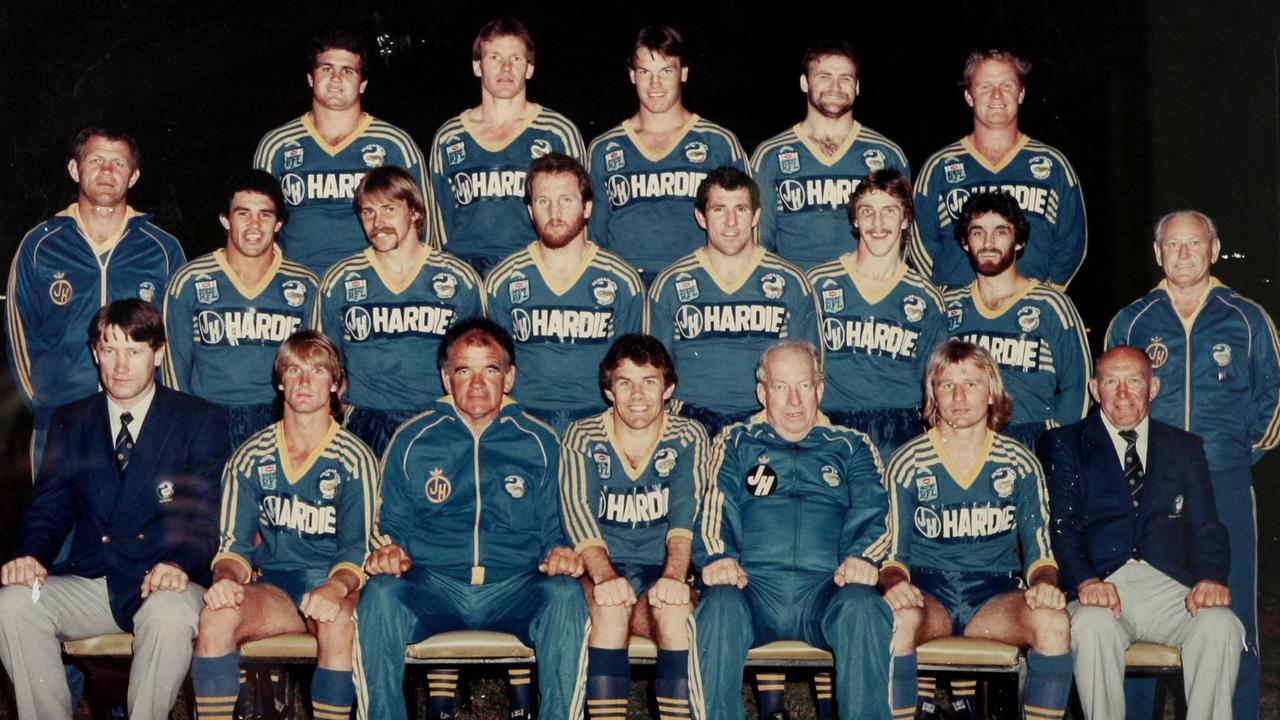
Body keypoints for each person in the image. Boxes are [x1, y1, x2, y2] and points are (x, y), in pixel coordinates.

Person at [0, 299, 229, 720]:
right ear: (94, 354)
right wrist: (29, 556)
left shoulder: (199, 419)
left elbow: (203, 520)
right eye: (110, 350)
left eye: (134, 351)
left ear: (158, 354)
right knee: (13, 603)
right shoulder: (71, 420)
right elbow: (49, 508)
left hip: (168, 581)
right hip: (97, 579)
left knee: (167, 614)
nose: (120, 366)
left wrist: (178, 564)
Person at [354, 317, 588, 720]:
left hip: (514, 585)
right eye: (464, 370)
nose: (477, 384)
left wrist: (562, 552)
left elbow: (557, 524)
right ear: (447, 379)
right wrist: (387, 549)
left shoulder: (541, 441)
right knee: (380, 596)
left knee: (567, 595)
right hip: (434, 584)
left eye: (490, 370)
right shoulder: (413, 438)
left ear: (509, 378)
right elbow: (387, 521)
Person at [1106, 210, 1279, 720]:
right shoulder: (1133, 320)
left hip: (1223, 480)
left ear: (1215, 250)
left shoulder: (1247, 318)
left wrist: (1235, 454)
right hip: (1147, 485)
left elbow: (1273, 396)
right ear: (1158, 255)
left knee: (1231, 609)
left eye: (1194, 244)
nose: (1183, 254)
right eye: (1173, 246)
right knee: (1135, 606)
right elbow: (1110, 398)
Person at [690, 340, 893, 720]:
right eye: (781, 388)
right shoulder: (736, 441)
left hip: (826, 589)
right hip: (754, 589)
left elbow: (875, 509)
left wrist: (862, 556)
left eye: (804, 386)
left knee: (864, 607)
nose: (794, 402)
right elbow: (716, 504)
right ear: (762, 393)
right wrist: (718, 556)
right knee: (718, 607)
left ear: (820, 389)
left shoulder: (852, 445)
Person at [1040, 345, 1242, 719]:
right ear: (1093, 388)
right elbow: (1063, 527)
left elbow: (1207, 526)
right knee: (1091, 626)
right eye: (1110, 381)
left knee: (1222, 626)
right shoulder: (1066, 444)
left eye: (1133, 381)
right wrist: (1085, 581)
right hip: (1102, 583)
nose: (1121, 393)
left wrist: (1211, 577)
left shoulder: (1185, 447)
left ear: (1153, 387)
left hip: (1171, 588)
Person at [190, 331, 376, 720]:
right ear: (280, 381)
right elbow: (234, 547)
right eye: (294, 370)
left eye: (317, 371)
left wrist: (333, 588)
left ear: (336, 384)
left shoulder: (355, 457)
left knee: (337, 619)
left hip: (333, 582)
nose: (305, 382)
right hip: (276, 585)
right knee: (217, 614)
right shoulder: (250, 456)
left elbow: (357, 549)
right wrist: (225, 578)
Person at [881, 340, 1071, 720]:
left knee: (1052, 622)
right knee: (896, 619)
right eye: (946, 384)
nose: (959, 396)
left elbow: (1040, 552)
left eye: (971, 383)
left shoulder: (1019, 462)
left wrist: (1046, 583)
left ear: (991, 392)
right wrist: (894, 585)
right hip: (929, 591)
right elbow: (893, 558)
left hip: (993, 593)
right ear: (932, 393)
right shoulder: (907, 461)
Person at [6, 127, 186, 469]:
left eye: (118, 163)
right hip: (61, 421)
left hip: (142, 421)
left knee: (138, 522)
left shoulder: (161, 249)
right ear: (75, 169)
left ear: (133, 176)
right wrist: (45, 404)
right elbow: (18, 332)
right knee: (57, 521)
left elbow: (176, 340)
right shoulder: (40, 245)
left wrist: (167, 409)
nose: (106, 171)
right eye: (96, 160)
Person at [560, 334, 709, 720]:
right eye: (624, 382)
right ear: (609, 391)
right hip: (603, 569)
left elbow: (685, 515)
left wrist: (675, 577)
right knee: (610, 610)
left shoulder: (687, 435)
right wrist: (606, 577)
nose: (637, 394)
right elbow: (579, 513)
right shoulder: (583, 435)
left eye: (650, 381)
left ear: (669, 389)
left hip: (659, 570)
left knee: (674, 609)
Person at [317, 165, 484, 455]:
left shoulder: (458, 277)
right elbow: (326, 358)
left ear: (415, 212)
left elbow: (479, 357)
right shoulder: (341, 279)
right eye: (368, 212)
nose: (377, 222)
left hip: (438, 417)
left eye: (388, 209)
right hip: (368, 418)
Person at [649, 167, 820, 437]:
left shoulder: (791, 282)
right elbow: (655, 372)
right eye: (719, 209)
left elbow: (812, 368)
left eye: (740, 209)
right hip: (691, 420)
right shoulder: (670, 283)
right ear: (701, 217)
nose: (731, 222)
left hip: (767, 420)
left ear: (756, 216)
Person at [485, 153, 645, 434]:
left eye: (566, 200)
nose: (554, 213)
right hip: (524, 417)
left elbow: (631, 369)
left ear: (587, 208)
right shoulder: (503, 279)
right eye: (543, 201)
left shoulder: (622, 280)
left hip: (598, 419)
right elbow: (495, 366)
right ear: (531, 210)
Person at [254, 30, 429, 277]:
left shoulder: (394, 144)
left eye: (348, 71)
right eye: (327, 69)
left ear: (363, 84)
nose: (336, 78)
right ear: (310, 78)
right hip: (299, 285)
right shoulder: (277, 146)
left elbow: (424, 223)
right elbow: (254, 225)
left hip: (374, 286)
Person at [163, 170, 318, 447]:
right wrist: (183, 424)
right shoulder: (190, 280)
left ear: (279, 223)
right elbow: (175, 365)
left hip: (280, 419)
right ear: (225, 219)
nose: (254, 225)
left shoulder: (305, 284)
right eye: (243, 213)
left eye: (265, 214)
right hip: (209, 415)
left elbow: (318, 365)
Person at [910, 50, 1086, 290]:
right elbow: (918, 239)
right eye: (985, 87)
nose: (996, 95)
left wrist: (1047, 296)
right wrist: (944, 292)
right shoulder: (940, 167)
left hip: (1029, 314)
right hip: (958, 317)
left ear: (1021, 93)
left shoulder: (1052, 164)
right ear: (969, 96)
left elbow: (1072, 242)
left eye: (1007, 85)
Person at [587, 26, 748, 282]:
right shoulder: (604, 147)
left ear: (683, 73)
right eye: (644, 72)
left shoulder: (718, 142)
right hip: (627, 285)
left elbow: (747, 222)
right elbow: (593, 237)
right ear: (631, 75)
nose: (655, 84)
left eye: (666, 71)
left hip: (699, 282)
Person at [428, 17, 586, 275]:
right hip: (465, 268)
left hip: (536, 267)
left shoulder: (558, 131)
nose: (506, 68)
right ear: (477, 66)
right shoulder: (449, 136)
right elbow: (437, 223)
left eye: (516, 58)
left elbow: (581, 211)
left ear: (530, 68)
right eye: (494, 58)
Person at [807, 168, 946, 458]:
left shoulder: (925, 297)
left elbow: (935, 382)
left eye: (889, 211)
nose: (878, 223)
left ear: (906, 219)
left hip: (898, 427)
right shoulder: (818, 284)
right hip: (830, 420)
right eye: (867, 211)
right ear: (855, 219)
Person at [943, 190, 1090, 450]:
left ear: (1019, 241)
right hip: (965, 441)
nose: (988, 243)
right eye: (978, 232)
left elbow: (1078, 386)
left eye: (1000, 231)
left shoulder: (1051, 305)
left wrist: (1058, 444)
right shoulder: (949, 306)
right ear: (966, 243)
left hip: (1033, 438)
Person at [751, 41, 909, 270]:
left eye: (845, 78)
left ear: (857, 87)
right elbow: (758, 240)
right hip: (799, 290)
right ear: (805, 83)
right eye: (824, 76)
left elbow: (905, 237)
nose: (835, 86)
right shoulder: (771, 154)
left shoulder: (887, 154)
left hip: (862, 292)